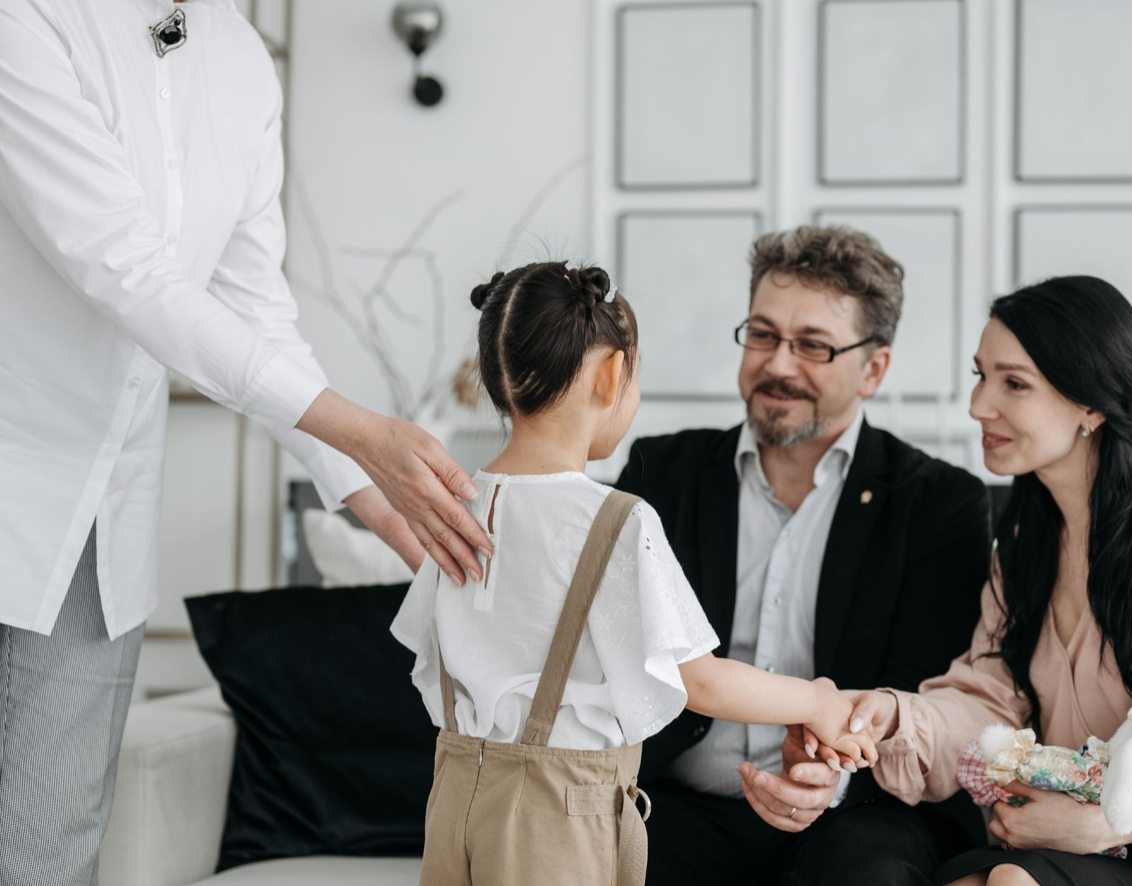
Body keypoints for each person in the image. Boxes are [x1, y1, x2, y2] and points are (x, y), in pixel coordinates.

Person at [0, 2, 488, 881]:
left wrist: (376, 496)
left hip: (98, 530)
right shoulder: (27, 18)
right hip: (13, 470)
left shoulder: (240, 61)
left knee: (49, 853)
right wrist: (362, 430)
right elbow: (123, 267)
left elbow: (253, 308)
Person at [391, 261, 881, 886]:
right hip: (558, 816)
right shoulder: (616, 519)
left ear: (496, 377)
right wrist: (816, 698)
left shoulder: (453, 511)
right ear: (612, 376)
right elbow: (695, 679)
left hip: (454, 798)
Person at [832, 276, 1132, 886]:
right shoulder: (1022, 542)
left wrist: (1122, 822)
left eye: (1014, 384)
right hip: (1086, 843)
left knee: (1010, 882)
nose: (979, 406)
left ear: (1089, 404)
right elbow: (989, 702)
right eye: (981, 375)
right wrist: (891, 716)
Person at [613, 226, 994, 885]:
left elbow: (923, 693)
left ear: (873, 369)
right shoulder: (662, 471)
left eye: (812, 345)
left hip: (858, 810)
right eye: (763, 335)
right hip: (674, 800)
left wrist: (832, 781)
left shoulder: (939, 503)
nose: (778, 365)